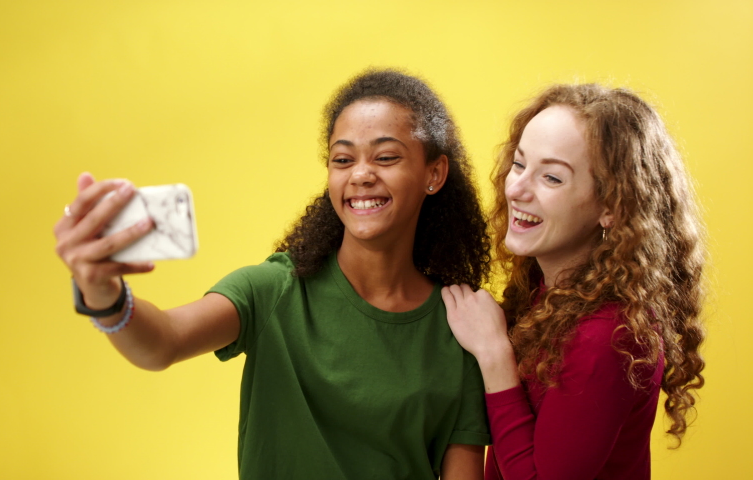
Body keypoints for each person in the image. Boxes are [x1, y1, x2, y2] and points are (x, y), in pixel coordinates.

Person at [54, 69, 492, 479]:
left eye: (386, 156)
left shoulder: (460, 326)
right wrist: (104, 293)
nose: (360, 175)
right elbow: (161, 344)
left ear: (434, 173)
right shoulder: (275, 291)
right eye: (342, 160)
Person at [441, 84, 706, 480]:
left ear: (612, 208)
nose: (515, 189)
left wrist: (495, 354)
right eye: (518, 164)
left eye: (551, 178)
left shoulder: (608, 335)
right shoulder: (548, 294)